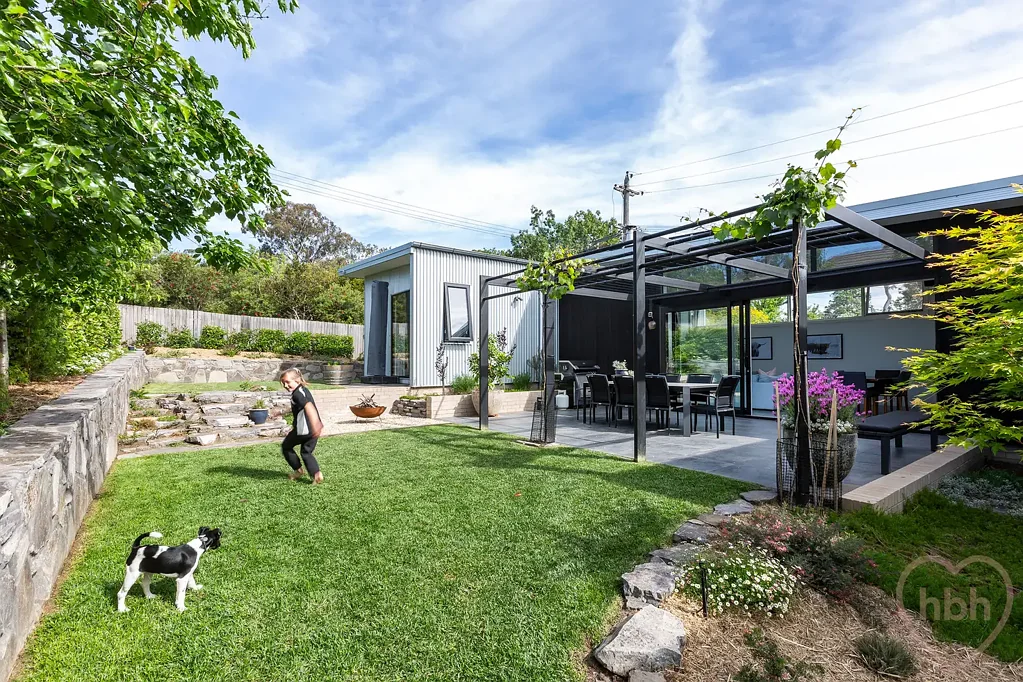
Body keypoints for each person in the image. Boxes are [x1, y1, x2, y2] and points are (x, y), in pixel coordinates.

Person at [279, 368, 324, 484]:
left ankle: (298, 470)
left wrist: (315, 424)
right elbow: (299, 407)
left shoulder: (297, 394)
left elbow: (308, 406)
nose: (285, 385)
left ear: (297, 380)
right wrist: (281, 412)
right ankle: (316, 474)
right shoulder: (303, 390)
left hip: (305, 429)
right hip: (313, 430)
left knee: (286, 446)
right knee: (306, 452)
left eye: (288, 382)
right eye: (283, 382)